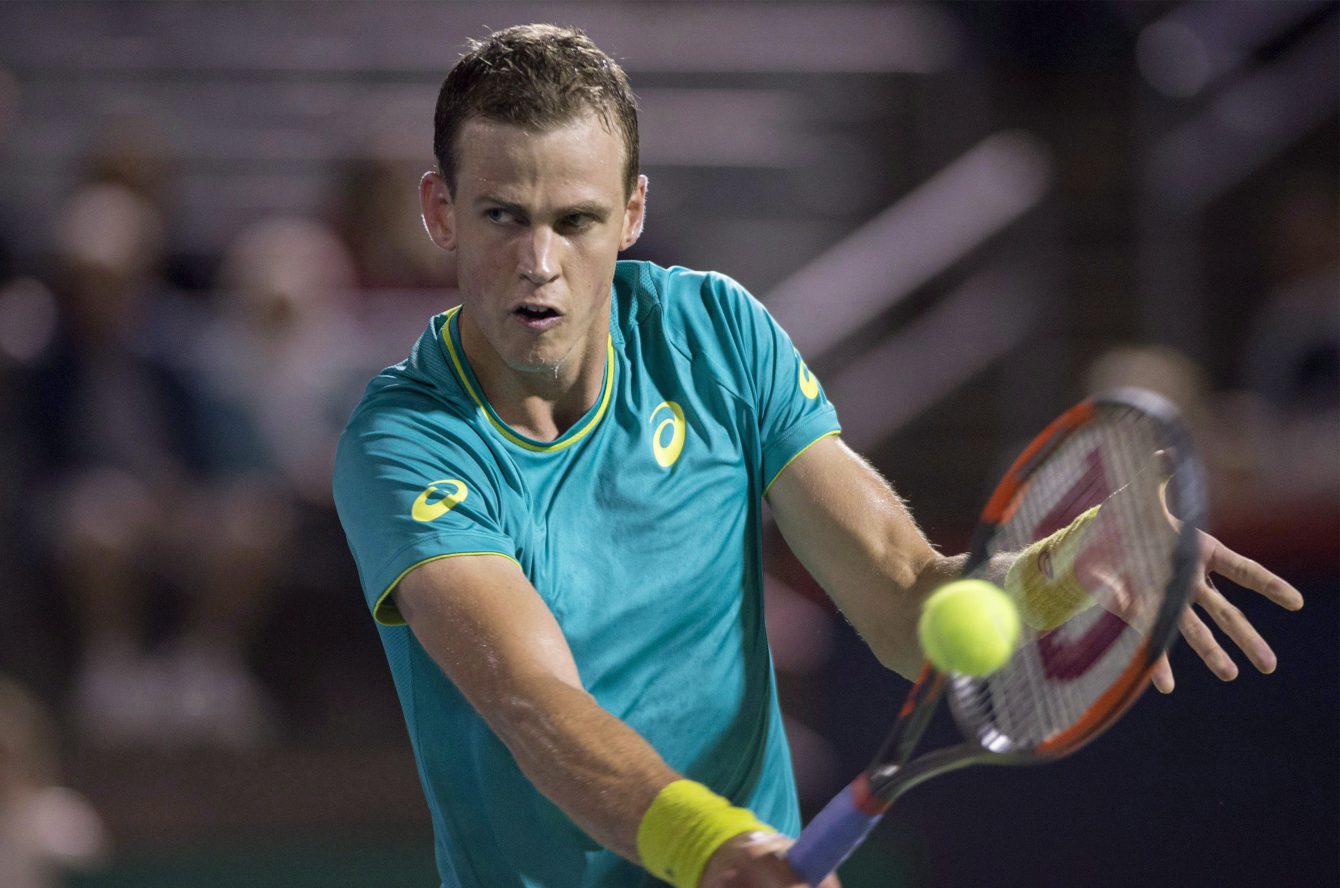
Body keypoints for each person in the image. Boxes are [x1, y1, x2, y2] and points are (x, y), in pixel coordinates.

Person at [332, 24, 1304, 888]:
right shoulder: (404, 441)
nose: (539, 262)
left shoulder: (712, 331)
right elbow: (529, 697)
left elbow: (901, 596)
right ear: (440, 212)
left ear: (630, 215)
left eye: (576, 220)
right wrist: (712, 848)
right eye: (502, 215)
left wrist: (1060, 569)